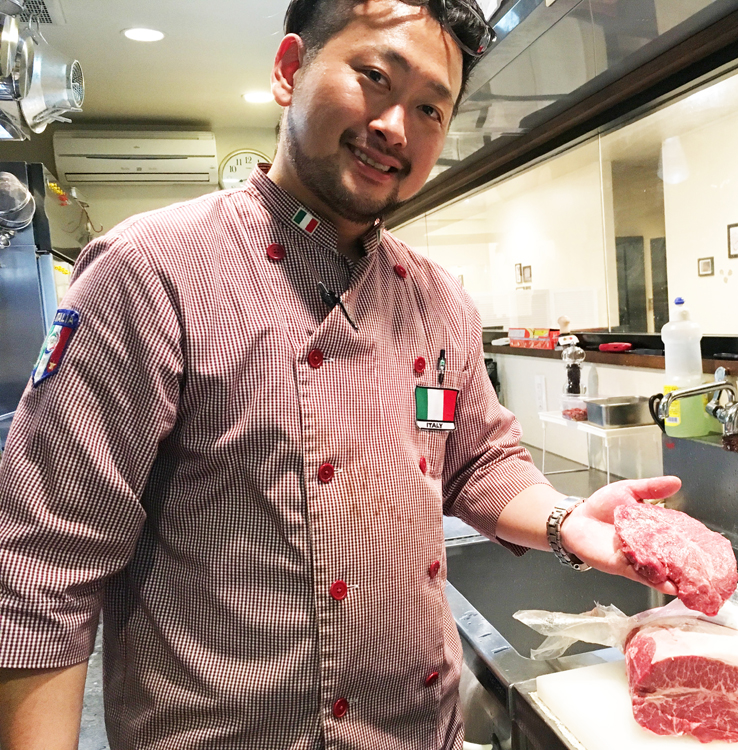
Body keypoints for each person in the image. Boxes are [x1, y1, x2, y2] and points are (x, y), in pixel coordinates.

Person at [0, 1, 680, 748]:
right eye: (375, 77)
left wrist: (566, 520)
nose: (396, 126)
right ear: (289, 70)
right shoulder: (151, 271)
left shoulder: (437, 299)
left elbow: (479, 460)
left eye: (429, 108)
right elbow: (42, 565)